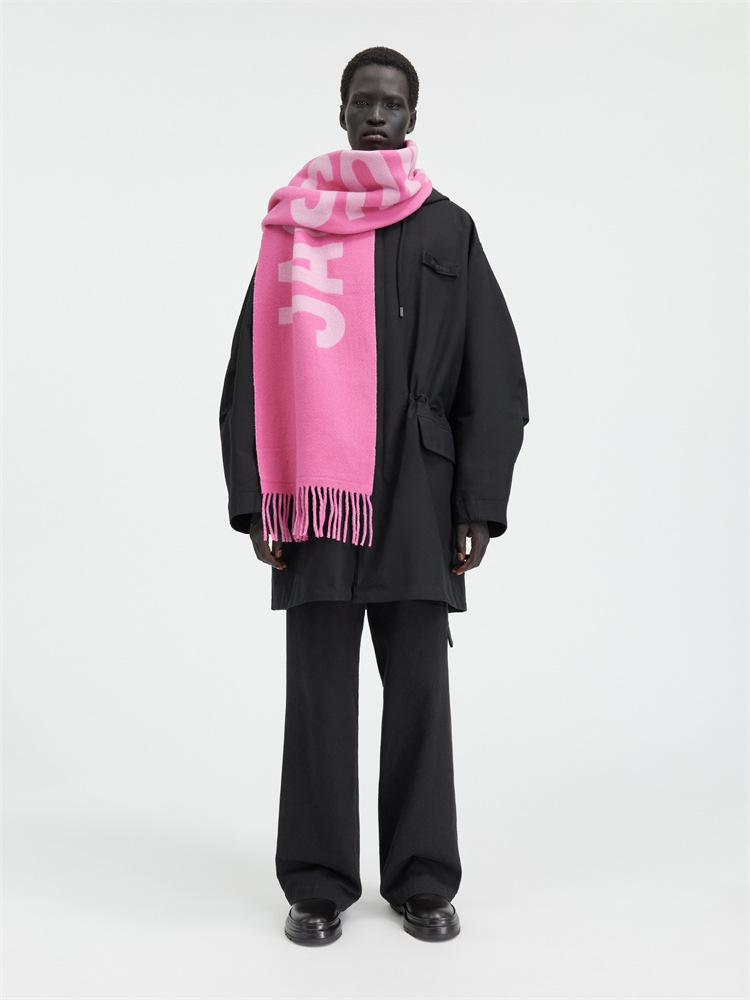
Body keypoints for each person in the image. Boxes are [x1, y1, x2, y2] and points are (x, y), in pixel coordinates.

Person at [219, 46, 529, 946]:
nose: (379, 116)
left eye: (393, 103)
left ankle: (423, 880)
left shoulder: (449, 229)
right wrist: (258, 498)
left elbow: (494, 375)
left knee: (420, 692)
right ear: (343, 112)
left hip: (419, 496)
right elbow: (250, 370)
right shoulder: (296, 229)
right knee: (319, 695)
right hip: (318, 501)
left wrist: (476, 503)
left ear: (413, 118)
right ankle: (317, 884)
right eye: (365, 101)